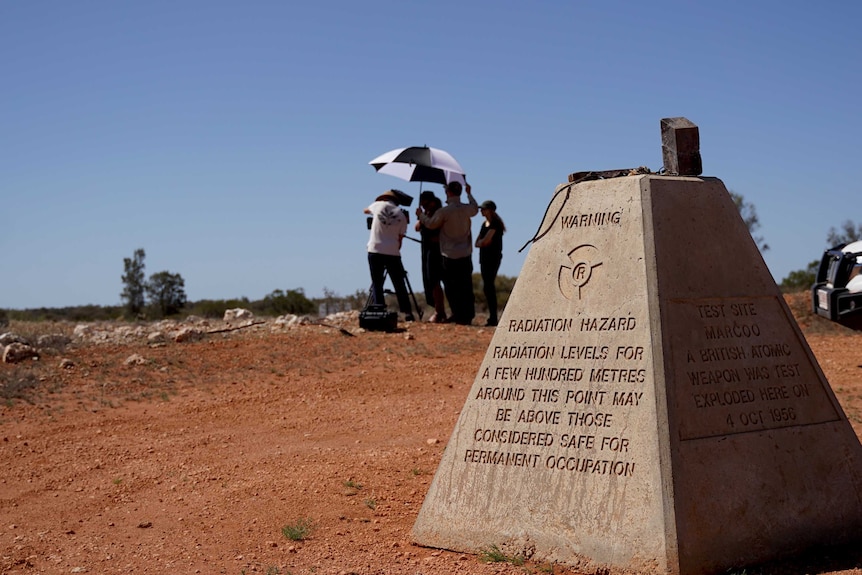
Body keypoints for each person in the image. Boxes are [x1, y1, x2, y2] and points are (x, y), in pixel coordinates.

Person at [416, 180, 478, 325]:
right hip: (466, 252)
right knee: (466, 286)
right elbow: (475, 208)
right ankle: (468, 315)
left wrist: (421, 215)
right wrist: (470, 194)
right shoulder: (467, 209)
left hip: (449, 254)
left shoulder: (444, 211)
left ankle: (457, 314)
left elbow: (431, 224)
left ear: (448, 192)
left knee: (452, 287)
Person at [364, 190, 414, 321]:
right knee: (399, 283)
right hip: (392, 252)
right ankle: (407, 312)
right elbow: (400, 240)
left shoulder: (378, 205)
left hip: (375, 249)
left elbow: (365, 210)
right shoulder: (402, 215)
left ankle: (379, 309)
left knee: (377, 282)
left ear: (384, 199)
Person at [415, 191, 447, 323]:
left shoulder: (438, 213)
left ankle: (440, 311)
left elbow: (433, 226)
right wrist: (420, 216)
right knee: (430, 280)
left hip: (437, 250)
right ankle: (438, 310)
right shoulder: (426, 214)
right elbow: (417, 227)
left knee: (436, 280)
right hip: (427, 249)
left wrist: (422, 216)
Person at [475, 200, 505, 327]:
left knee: (489, 286)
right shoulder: (484, 224)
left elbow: (485, 241)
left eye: (484, 209)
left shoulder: (495, 224)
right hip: (484, 258)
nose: (481, 211)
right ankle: (492, 317)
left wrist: (483, 242)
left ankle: (493, 317)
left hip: (493, 258)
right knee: (487, 287)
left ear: (490, 210)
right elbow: (477, 243)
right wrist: (482, 242)